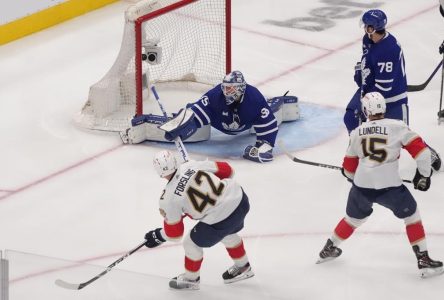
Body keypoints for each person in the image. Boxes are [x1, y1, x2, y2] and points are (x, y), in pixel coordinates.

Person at [318, 92, 443, 278]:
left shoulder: (357, 132)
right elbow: (423, 154)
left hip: (361, 186)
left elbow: (348, 170)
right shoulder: (398, 127)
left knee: (352, 219)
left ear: (366, 110)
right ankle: (423, 259)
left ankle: (329, 247)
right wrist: (423, 176)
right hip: (390, 186)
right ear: (383, 107)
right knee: (412, 216)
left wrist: (353, 175)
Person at [344, 9, 442, 171]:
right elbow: (368, 62)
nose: (364, 30)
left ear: (372, 28)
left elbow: (384, 86)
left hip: (391, 97)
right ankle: (357, 155)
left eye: (367, 27)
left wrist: (365, 100)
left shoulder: (389, 49)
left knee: (399, 134)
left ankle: (428, 154)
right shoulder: (368, 40)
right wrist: (362, 72)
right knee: (350, 117)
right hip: (369, 90)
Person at [143, 150, 254, 290]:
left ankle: (191, 280)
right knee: (227, 232)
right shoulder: (191, 165)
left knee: (190, 243)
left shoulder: (167, 199)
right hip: (240, 200)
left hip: (221, 218)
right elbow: (228, 171)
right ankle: (243, 267)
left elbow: (175, 234)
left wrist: (158, 235)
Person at [159, 71, 279, 163]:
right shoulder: (215, 95)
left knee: (264, 118)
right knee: (194, 113)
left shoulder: (254, 98)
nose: (225, 91)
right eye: (225, 87)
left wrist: (265, 145)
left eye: (230, 88)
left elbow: (268, 124)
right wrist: (184, 122)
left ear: (240, 88)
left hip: (247, 123)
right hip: (218, 121)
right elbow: (198, 109)